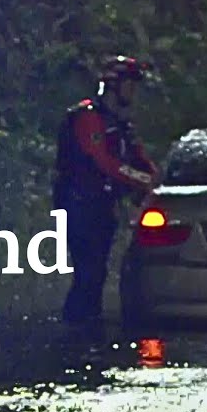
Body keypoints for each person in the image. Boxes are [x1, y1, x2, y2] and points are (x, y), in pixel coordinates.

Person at [53, 55, 160, 324]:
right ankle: (77, 328)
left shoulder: (120, 124)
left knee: (97, 271)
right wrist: (139, 180)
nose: (133, 92)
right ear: (114, 86)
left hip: (102, 205)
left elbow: (140, 159)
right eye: (129, 85)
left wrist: (154, 180)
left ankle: (87, 324)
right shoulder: (88, 117)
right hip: (79, 205)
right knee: (88, 272)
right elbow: (102, 161)